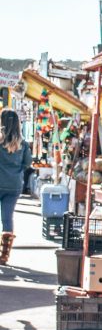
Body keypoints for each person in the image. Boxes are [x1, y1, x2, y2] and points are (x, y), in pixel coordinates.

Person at [0, 109, 31, 265]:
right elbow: (27, 164)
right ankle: (4, 255)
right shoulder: (23, 143)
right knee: (7, 218)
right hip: (14, 185)